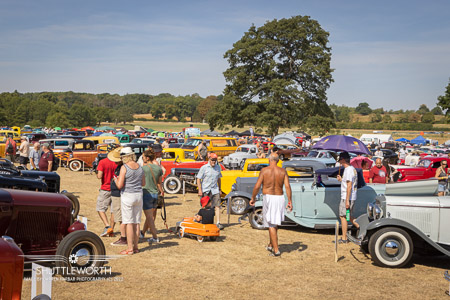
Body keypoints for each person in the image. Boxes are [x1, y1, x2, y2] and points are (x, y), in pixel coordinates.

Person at [249, 153, 292, 257]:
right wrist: (290, 201)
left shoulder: (264, 170)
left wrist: (253, 198)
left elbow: (257, 186)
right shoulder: (283, 171)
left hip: (269, 197)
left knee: (271, 224)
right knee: (274, 222)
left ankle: (276, 250)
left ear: (269, 159)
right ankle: (270, 244)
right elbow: (287, 186)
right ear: (277, 160)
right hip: (279, 197)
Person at [113, 147, 145, 255]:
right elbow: (143, 183)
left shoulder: (124, 167)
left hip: (128, 195)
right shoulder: (140, 167)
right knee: (137, 222)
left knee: (129, 223)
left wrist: (116, 180)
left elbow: (120, 185)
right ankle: (136, 247)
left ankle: (130, 248)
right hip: (138, 195)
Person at [141, 149, 164, 244]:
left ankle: (155, 237)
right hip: (155, 194)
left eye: (143, 158)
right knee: (150, 216)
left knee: (149, 217)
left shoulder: (143, 168)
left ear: (147, 158)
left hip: (146, 193)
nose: (142, 159)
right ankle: (142, 233)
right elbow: (159, 182)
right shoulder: (158, 168)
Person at [196, 152, 223, 229]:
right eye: (212, 160)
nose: (214, 161)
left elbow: (219, 178)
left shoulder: (218, 167)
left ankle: (218, 222)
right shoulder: (204, 168)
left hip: (215, 190)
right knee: (204, 207)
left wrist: (220, 189)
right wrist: (200, 190)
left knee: (217, 206)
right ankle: (203, 221)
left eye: (215, 160)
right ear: (209, 159)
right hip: (206, 190)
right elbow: (198, 179)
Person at [336, 152, 359, 243]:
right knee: (348, 216)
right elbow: (347, 183)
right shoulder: (350, 169)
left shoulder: (349, 170)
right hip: (350, 196)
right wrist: (341, 180)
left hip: (347, 197)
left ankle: (344, 238)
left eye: (340, 160)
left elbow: (349, 186)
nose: (340, 162)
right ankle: (360, 226)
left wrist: (347, 201)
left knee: (343, 216)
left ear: (343, 160)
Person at [97, 149, 119, 238]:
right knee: (114, 211)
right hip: (116, 188)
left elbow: (99, 176)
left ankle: (107, 226)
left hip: (105, 188)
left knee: (100, 208)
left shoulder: (103, 162)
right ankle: (111, 230)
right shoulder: (118, 163)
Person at [108, 148, 128, 246]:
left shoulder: (122, 168)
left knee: (120, 217)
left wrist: (115, 180)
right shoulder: (121, 167)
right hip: (117, 194)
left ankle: (124, 237)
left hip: (118, 194)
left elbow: (120, 183)